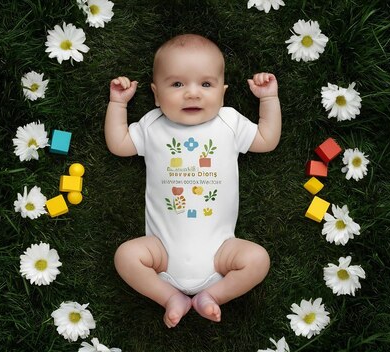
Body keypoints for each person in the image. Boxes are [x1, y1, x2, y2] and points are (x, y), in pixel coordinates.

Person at [105, 34, 281, 328]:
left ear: (223, 93)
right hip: (159, 253)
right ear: (156, 94)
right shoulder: (152, 125)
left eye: (206, 84)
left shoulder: (229, 122)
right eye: (177, 84)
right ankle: (168, 296)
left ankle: (211, 296)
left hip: (221, 254)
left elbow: (267, 139)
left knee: (258, 259)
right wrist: (118, 104)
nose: (192, 93)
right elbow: (119, 143)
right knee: (125, 255)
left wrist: (268, 99)